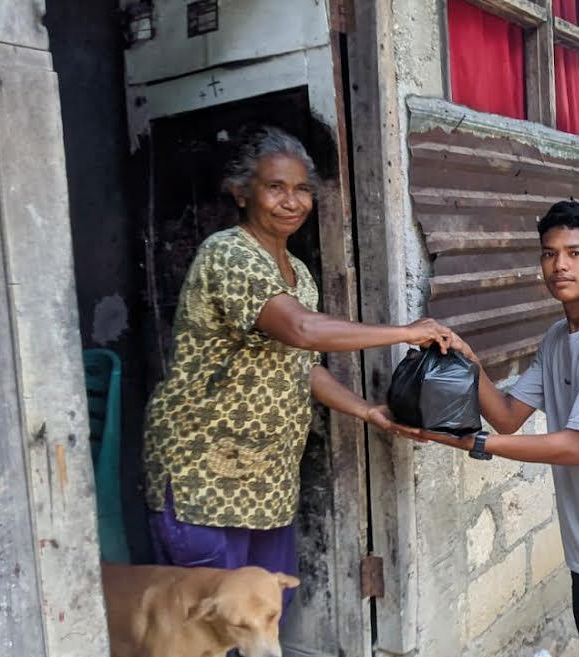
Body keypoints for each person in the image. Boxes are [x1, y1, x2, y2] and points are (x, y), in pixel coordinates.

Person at [142, 126, 455, 612]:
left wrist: (367, 411)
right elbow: (303, 332)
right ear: (241, 192)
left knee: (264, 612)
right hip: (203, 474)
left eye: (303, 188)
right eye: (276, 187)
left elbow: (303, 365)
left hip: (265, 481)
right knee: (208, 624)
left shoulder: (298, 274)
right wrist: (404, 332)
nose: (292, 201)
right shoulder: (229, 253)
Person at [390, 201, 579, 657]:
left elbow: (576, 447)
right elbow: (507, 414)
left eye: (575, 253)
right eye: (549, 253)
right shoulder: (557, 338)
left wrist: (470, 442)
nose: (559, 265)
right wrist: (465, 357)